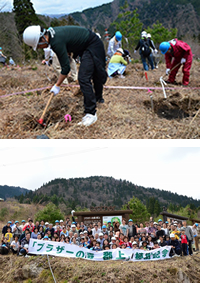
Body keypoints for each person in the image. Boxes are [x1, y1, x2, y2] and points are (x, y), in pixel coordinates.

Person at [23, 25, 107, 127]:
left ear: (42, 38)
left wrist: (57, 85)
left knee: (84, 78)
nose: (40, 48)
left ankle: (91, 113)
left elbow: (65, 69)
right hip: (87, 45)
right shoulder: (51, 34)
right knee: (93, 73)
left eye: (39, 45)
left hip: (92, 45)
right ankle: (98, 98)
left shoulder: (55, 42)